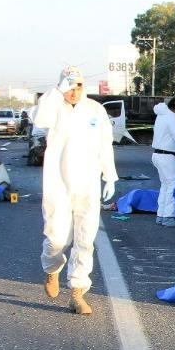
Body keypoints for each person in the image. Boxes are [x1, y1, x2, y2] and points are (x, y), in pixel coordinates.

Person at [35, 66, 117, 315]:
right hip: (57, 183)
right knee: (56, 239)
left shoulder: (95, 110)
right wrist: (57, 91)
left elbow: (105, 144)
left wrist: (109, 176)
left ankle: (77, 292)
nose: (74, 90)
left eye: (78, 85)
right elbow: (39, 120)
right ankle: (52, 269)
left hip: (88, 182)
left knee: (85, 239)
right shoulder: (54, 107)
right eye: (69, 85)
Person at [151, 97, 175, 227]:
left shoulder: (161, 114)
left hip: (157, 154)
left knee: (165, 185)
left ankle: (160, 215)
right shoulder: (171, 117)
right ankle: (168, 217)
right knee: (174, 184)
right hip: (167, 155)